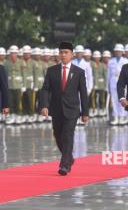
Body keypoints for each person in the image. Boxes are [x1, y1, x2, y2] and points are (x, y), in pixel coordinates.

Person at [39, 42, 89, 176]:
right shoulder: (52, 70)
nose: (63, 55)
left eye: (66, 52)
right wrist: (44, 105)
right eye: (61, 52)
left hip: (72, 110)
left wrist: (85, 113)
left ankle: (64, 165)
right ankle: (69, 158)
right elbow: (45, 89)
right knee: (58, 135)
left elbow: (83, 93)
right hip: (56, 109)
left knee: (68, 135)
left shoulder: (79, 72)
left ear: (72, 54)